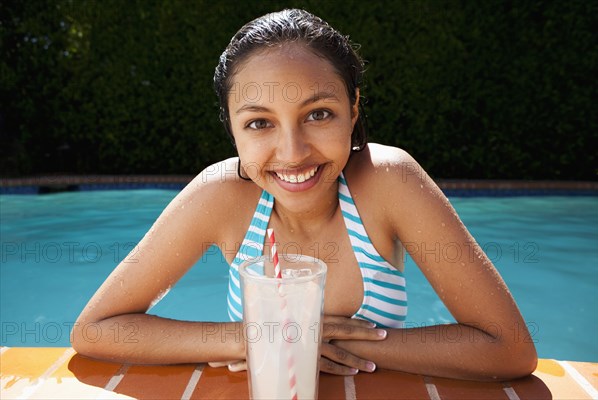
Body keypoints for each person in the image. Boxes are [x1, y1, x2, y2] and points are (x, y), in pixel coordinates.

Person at [72, 8, 537, 380]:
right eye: (259, 123)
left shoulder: (388, 181)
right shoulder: (222, 195)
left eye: (318, 114)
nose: (292, 153)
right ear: (232, 130)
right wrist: (252, 339)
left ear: (353, 110)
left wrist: (317, 338)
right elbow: (95, 330)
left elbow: (509, 348)